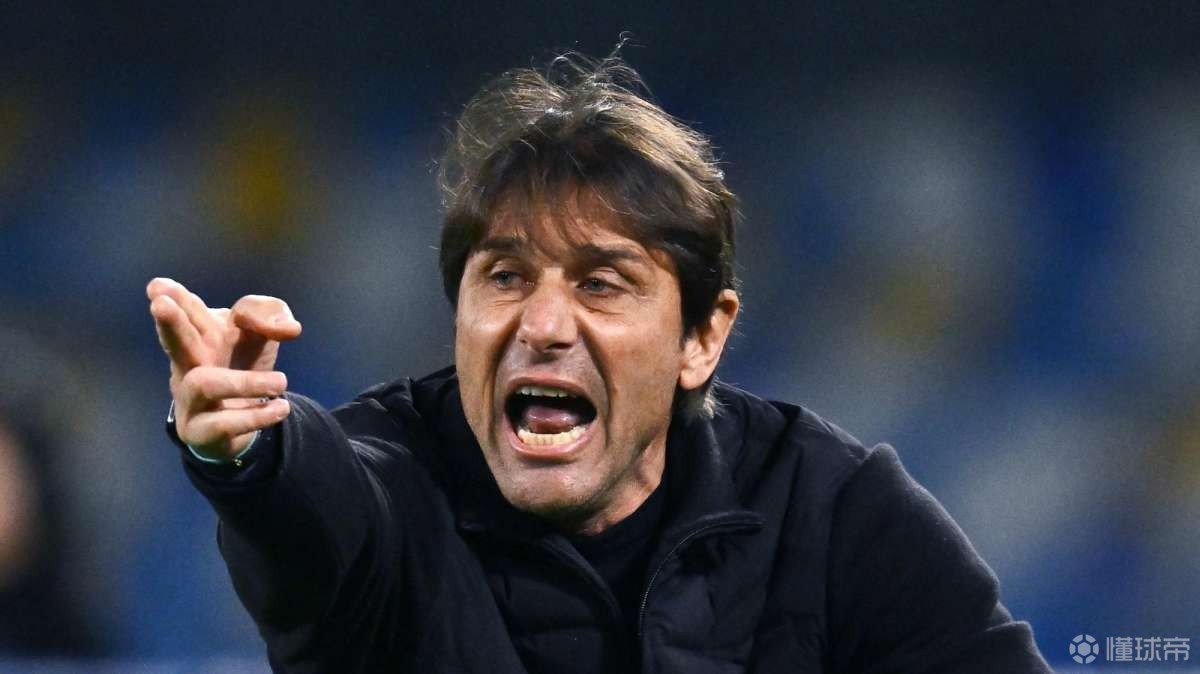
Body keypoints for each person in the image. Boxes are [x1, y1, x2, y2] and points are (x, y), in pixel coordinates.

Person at [147, 53, 1053, 673]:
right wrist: (248, 452)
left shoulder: (826, 508)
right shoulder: (395, 485)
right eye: (505, 277)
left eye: (601, 283)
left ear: (702, 338)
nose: (543, 323)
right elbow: (314, 500)